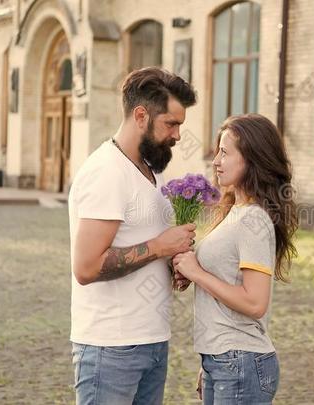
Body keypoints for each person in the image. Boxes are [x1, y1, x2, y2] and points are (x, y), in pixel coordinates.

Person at [67, 67, 197, 405]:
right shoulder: (107, 172)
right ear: (141, 116)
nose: (178, 136)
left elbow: (141, 245)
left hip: (152, 342)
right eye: (171, 124)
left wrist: (174, 265)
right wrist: (159, 247)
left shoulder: (148, 171)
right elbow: (86, 267)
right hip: (111, 349)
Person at [172, 113, 298, 404]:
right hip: (223, 360)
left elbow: (255, 303)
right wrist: (210, 363)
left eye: (225, 152)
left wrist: (197, 273)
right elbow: (225, 281)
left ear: (252, 159)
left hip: (239, 361)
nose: (216, 160)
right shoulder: (236, 212)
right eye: (217, 151)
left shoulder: (254, 220)